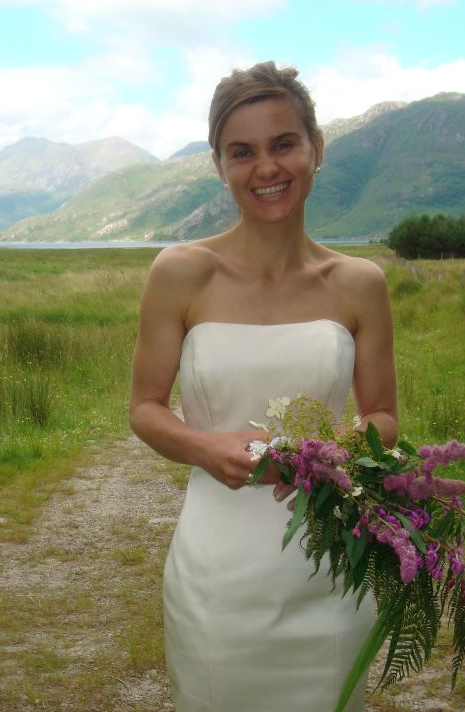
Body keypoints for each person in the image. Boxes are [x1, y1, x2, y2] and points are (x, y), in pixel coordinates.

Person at [128, 61, 398, 712]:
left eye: (283, 144)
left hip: (328, 564)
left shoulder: (360, 283)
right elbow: (143, 408)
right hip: (219, 571)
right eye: (241, 152)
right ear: (219, 166)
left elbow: (384, 417)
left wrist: (335, 447)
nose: (266, 168)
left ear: (316, 150)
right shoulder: (181, 273)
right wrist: (204, 447)